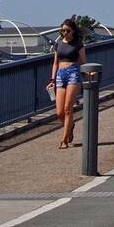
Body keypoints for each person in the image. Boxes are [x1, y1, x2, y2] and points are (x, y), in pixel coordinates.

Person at [46, 16, 86, 149]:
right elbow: (55, 63)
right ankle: (70, 125)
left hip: (73, 73)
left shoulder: (78, 44)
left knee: (68, 109)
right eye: (63, 30)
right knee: (59, 113)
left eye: (68, 30)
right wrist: (52, 79)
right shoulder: (58, 44)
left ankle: (64, 140)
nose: (65, 33)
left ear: (73, 31)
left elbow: (84, 61)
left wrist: (89, 72)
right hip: (60, 75)